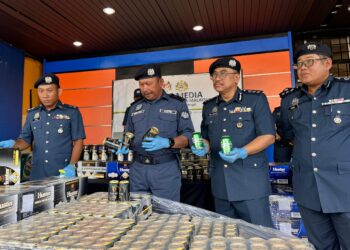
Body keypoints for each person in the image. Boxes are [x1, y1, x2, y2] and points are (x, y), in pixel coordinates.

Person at [279, 42, 350, 249]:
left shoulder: (346, 90)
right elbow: (288, 134)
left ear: (328, 63)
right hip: (308, 188)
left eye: (309, 62)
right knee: (320, 245)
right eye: (299, 64)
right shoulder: (290, 100)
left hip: (344, 187)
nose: (303, 67)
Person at [191, 57, 275, 227]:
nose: (217, 78)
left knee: (259, 236)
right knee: (227, 236)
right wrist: (201, 147)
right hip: (220, 184)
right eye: (214, 75)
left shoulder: (255, 100)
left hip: (250, 183)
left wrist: (242, 151)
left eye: (223, 73)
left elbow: (268, 136)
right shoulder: (209, 107)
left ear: (236, 77)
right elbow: (206, 137)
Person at [119, 64, 194, 201]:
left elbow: (188, 136)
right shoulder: (134, 108)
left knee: (167, 216)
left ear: (161, 82)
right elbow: (128, 133)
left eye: (148, 84)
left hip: (165, 169)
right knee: (138, 212)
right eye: (141, 85)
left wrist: (168, 142)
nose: (144, 89)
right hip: (138, 170)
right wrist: (124, 144)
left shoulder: (177, 104)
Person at [0, 73, 85, 180]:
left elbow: (78, 141)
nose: (45, 95)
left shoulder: (72, 112)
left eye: (50, 90)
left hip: (62, 172)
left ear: (59, 92)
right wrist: (13, 145)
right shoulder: (32, 114)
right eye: (41, 91)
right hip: (37, 174)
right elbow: (25, 141)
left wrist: (72, 165)